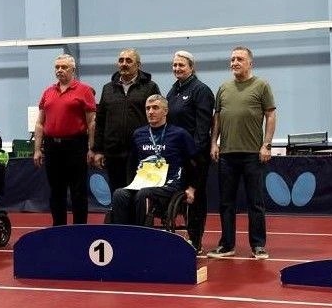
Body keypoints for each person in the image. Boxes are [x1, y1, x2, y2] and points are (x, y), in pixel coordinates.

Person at [207, 47, 276, 260]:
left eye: (239, 59)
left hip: (252, 155)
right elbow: (217, 117)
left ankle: (258, 245)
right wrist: (214, 143)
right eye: (232, 59)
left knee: (255, 203)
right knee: (226, 203)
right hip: (227, 155)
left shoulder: (262, 85)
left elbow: (270, 115)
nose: (234, 63)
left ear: (250, 63)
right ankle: (227, 245)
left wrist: (266, 145)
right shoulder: (223, 88)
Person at [109, 94, 197, 226]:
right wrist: (131, 184)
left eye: (155, 108)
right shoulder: (138, 134)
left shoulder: (179, 134)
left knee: (143, 194)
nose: (150, 112)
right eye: (148, 108)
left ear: (165, 111)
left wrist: (192, 188)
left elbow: (196, 163)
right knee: (119, 194)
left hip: (168, 185)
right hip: (143, 183)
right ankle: (122, 234)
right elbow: (131, 163)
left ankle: (140, 234)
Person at [34, 54, 96, 225]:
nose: (60, 70)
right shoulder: (48, 92)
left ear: (73, 69)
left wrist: (92, 148)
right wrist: (37, 149)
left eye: (64, 67)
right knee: (56, 191)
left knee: (78, 191)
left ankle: (79, 229)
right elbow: (39, 123)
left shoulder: (84, 90)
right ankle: (58, 228)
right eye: (57, 67)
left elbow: (92, 122)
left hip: (76, 146)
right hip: (52, 147)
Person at [166, 50, 215, 253]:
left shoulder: (201, 90)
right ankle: (180, 239)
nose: (177, 68)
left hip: (195, 157)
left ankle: (196, 241)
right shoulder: (172, 91)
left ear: (191, 67)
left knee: (195, 198)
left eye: (181, 65)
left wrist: (193, 154)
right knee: (178, 197)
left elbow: (203, 128)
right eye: (175, 65)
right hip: (175, 156)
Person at [92, 48, 160, 192]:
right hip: (113, 153)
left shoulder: (150, 87)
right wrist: (98, 150)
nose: (124, 64)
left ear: (138, 65)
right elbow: (100, 121)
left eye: (128, 61)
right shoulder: (107, 89)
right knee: (117, 193)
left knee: (139, 194)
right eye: (121, 60)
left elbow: (158, 119)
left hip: (140, 152)